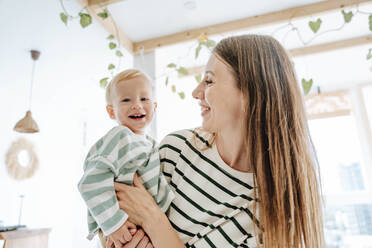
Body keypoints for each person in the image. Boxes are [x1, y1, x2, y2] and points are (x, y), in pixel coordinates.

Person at [110, 34, 325, 248]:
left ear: (250, 92)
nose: (196, 92)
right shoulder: (177, 149)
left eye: (209, 81)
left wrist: (153, 219)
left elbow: (142, 213)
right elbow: (114, 207)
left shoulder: (273, 213)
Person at [78, 69, 174, 248]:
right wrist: (114, 224)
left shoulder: (151, 144)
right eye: (126, 100)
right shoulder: (120, 137)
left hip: (148, 230)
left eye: (144, 99)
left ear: (154, 106)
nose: (137, 105)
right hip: (122, 228)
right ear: (111, 111)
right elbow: (90, 182)